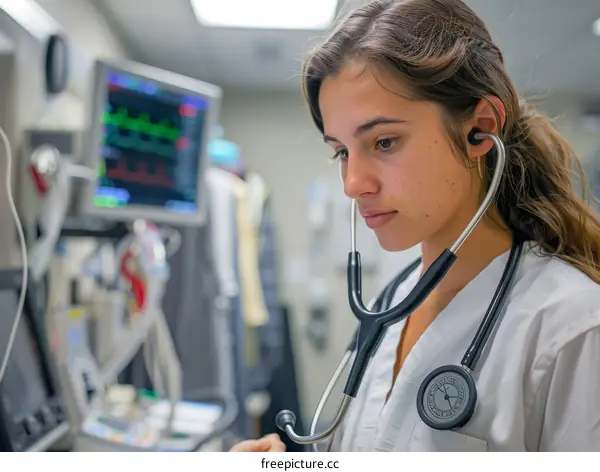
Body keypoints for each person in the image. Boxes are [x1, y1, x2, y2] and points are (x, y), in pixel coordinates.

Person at [230, 0, 600, 452]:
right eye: (342, 151)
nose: (352, 184)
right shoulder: (392, 302)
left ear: (480, 129)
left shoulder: (572, 326)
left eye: (383, 141)